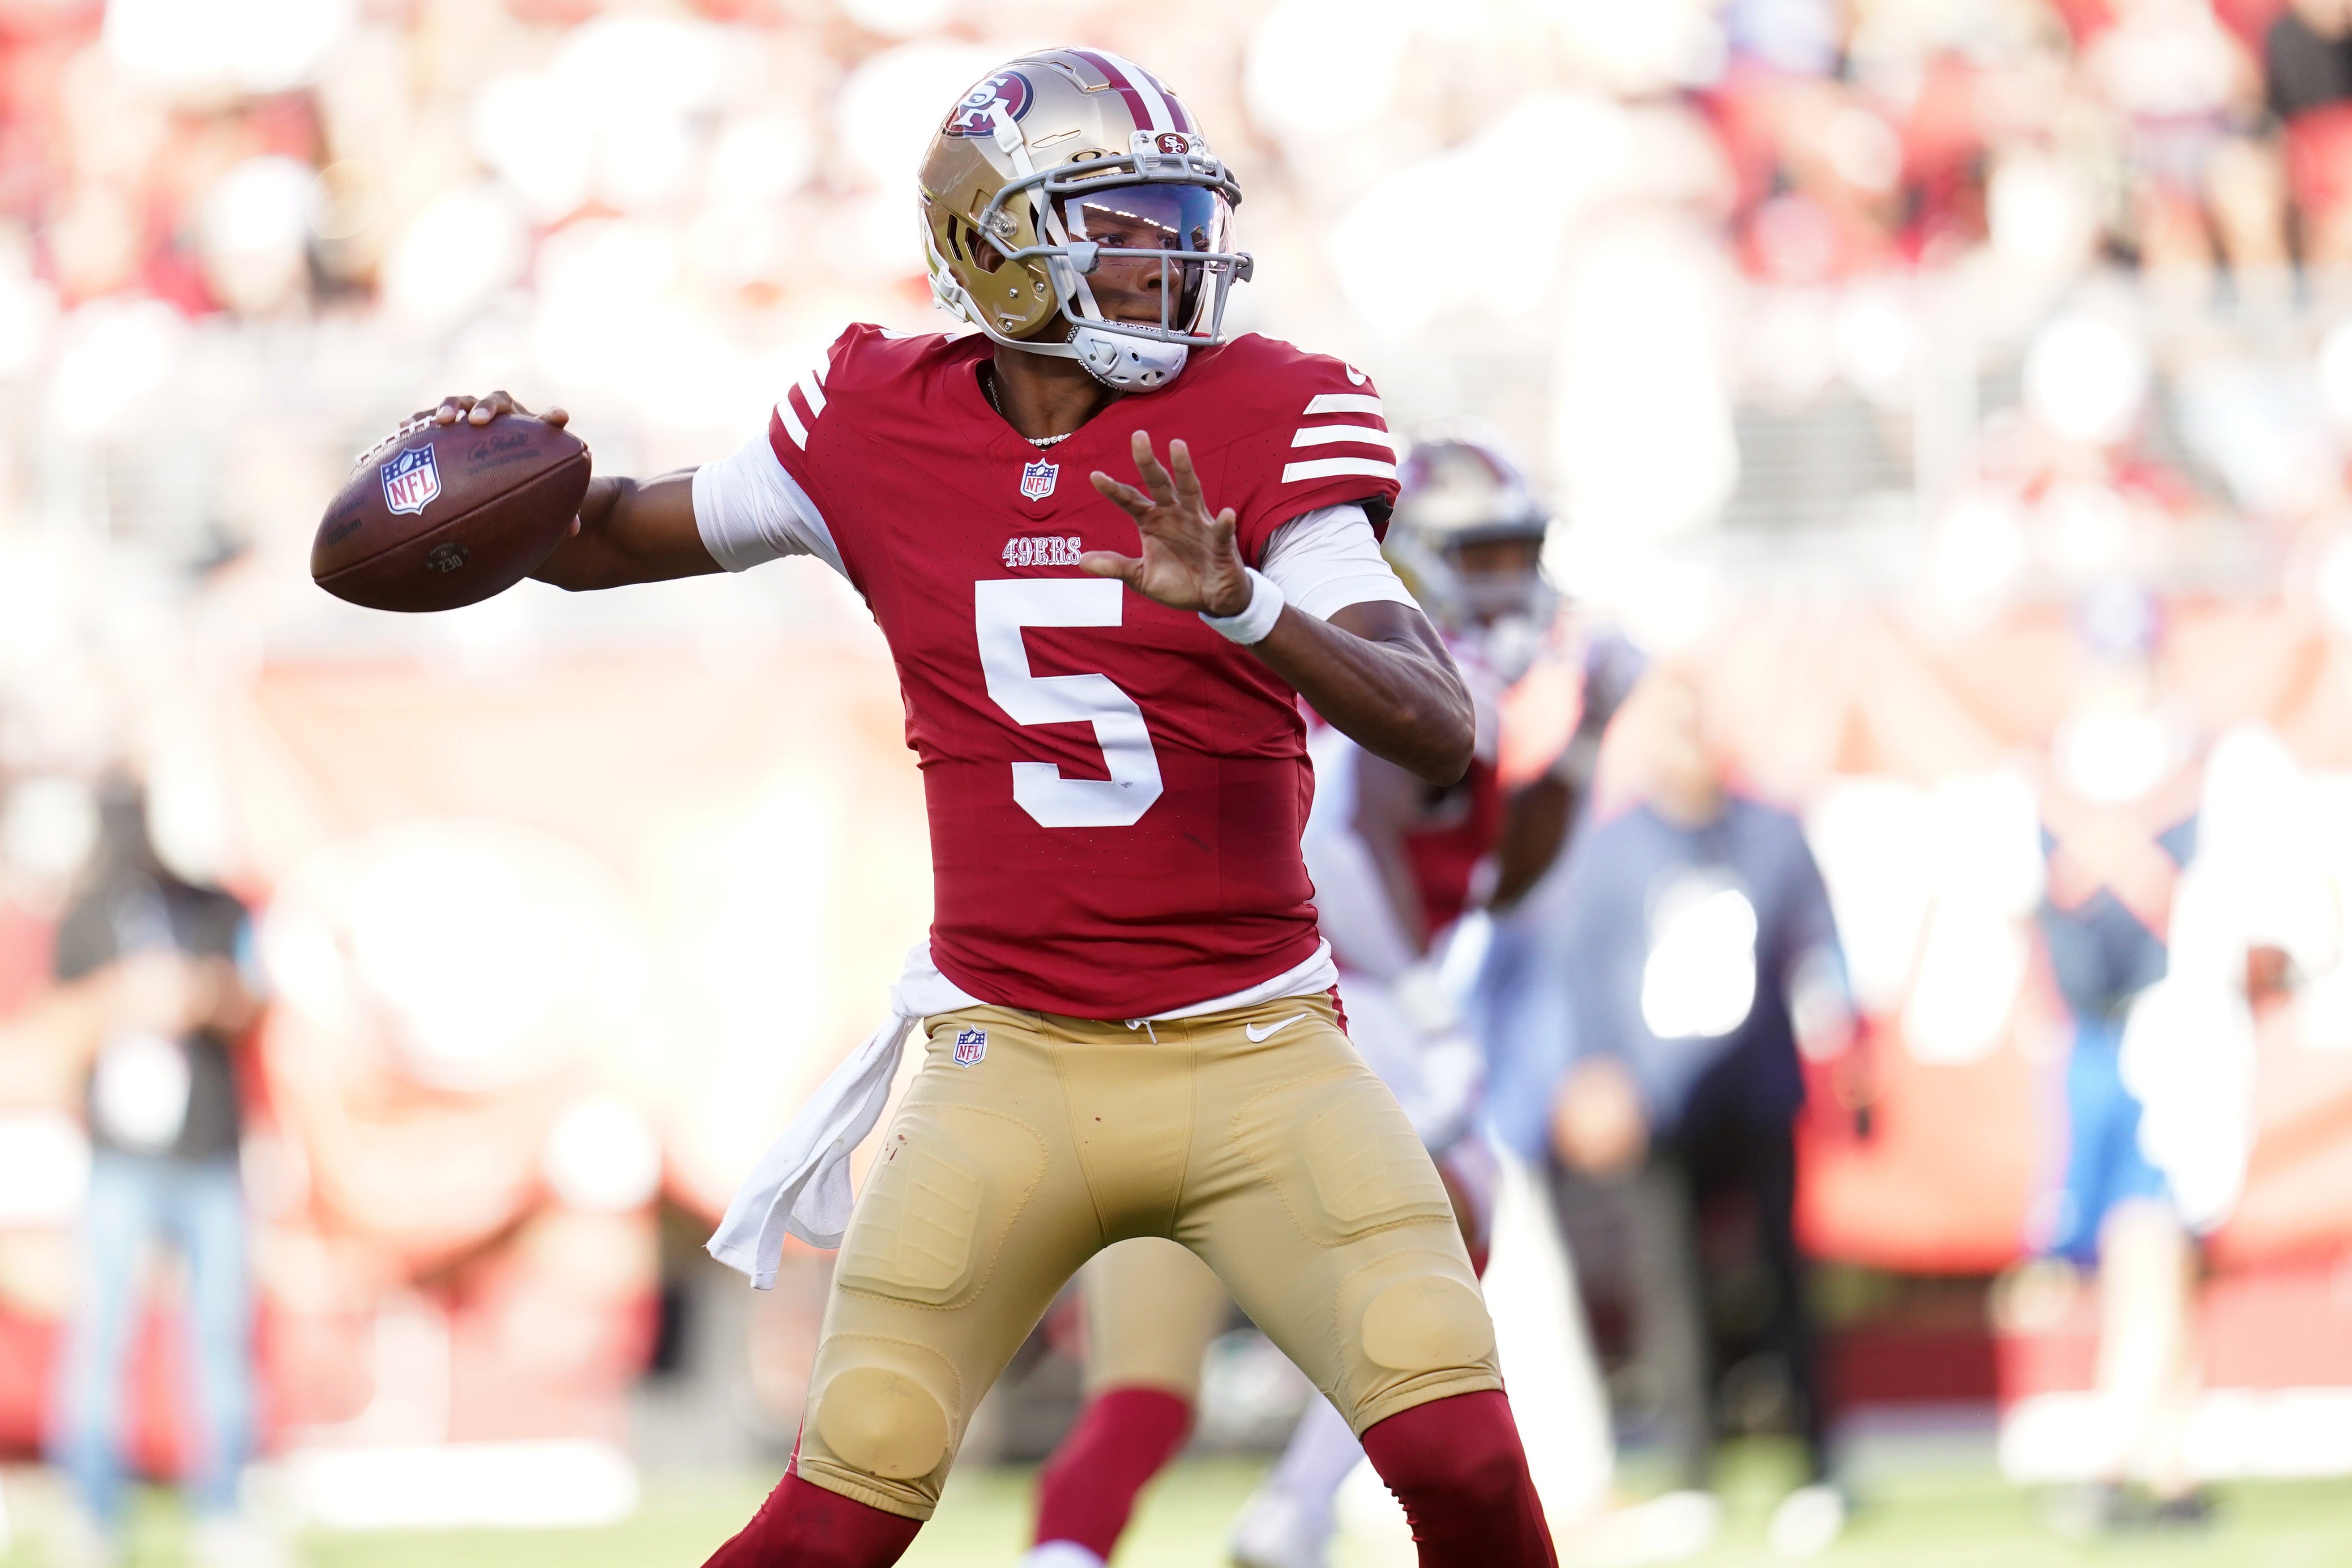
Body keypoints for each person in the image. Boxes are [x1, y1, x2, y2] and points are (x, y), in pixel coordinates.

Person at [411, 49, 1556, 1568]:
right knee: (840, 1505)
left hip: (1261, 1047)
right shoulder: (873, 420)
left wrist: (1246, 603)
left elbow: (1437, 721)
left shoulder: (1277, 407)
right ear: (994, 250)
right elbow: (615, 537)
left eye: (1170, 222)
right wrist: (492, 487)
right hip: (1003, 1058)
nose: (1164, 258)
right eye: (1117, 223)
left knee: (1467, 1463)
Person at [1017, 435, 1578, 1568]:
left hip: (1141, 1028)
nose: (1507, 582)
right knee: (1453, 1238)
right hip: (1310, 1010)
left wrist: (1578, 756)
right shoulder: (1423, 679)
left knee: (1141, 1397)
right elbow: (1345, 837)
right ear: (1410, 559)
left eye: (1517, 555)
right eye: (1482, 555)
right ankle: (1297, 1511)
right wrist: (1420, 1008)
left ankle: (1071, 1554)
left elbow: (1481, 867)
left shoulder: (1287, 663)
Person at [1544, 669, 1859, 1559]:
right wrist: (1591, 1076)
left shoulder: (1767, 833)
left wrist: (1844, 1047)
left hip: (1756, 1085)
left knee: (1781, 1279)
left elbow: (1817, 949)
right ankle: (1691, 1474)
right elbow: (1582, 973)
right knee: (1667, 1288)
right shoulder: (1613, 849)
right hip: (1656, 1096)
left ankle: (1815, 1463)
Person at [44, 781, 272, 1568]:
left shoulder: (221, 910)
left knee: (219, 1340)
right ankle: (93, 1511)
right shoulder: (88, 916)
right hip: (119, 1162)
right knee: (100, 1339)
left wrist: (202, 996)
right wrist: (125, 1000)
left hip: (209, 1154)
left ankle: (226, 1512)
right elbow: (55, 1029)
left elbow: (256, 1001)